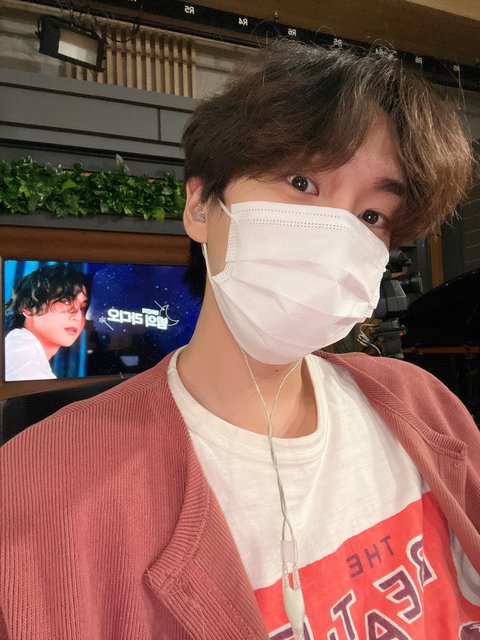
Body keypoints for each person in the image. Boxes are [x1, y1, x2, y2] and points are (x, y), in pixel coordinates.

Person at [1, 40, 479, 640]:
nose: (337, 235)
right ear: (201, 206)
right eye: (302, 181)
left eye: (371, 216)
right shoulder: (40, 489)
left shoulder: (423, 405)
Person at [4, 263, 89, 381]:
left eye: (83, 308)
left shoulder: (18, 348)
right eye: (65, 301)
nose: (78, 317)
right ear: (28, 307)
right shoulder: (23, 362)